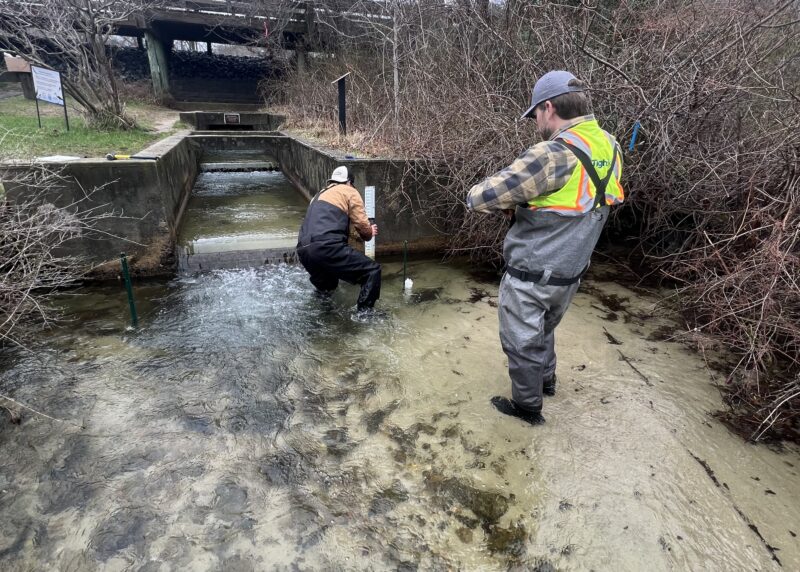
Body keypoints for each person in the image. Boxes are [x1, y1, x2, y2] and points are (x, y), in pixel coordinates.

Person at [466, 70, 624, 426]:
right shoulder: (611, 146)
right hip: (571, 274)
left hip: (531, 273)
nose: (536, 123)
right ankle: (547, 382)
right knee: (544, 329)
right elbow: (575, 201)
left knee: (521, 343)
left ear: (549, 108)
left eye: (535, 114)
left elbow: (480, 198)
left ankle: (527, 409)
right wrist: (527, 203)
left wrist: (507, 201)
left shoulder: (552, 154)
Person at [297, 166, 381, 310]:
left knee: (328, 287)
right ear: (349, 182)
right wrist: (369, 232)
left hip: (303, 250)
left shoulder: (318, 195)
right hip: (326, 246)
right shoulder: (349, 191)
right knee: (372, 271)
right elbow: (362, 225)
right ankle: (365, 315)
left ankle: (324, 315)